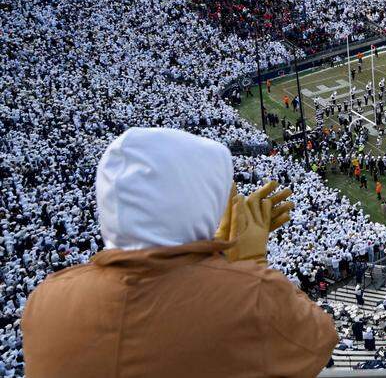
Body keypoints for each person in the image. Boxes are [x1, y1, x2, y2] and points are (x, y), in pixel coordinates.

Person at [22, 127, 336, 378]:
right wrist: (247, 267)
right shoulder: (252, 296)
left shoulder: (45, 299)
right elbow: (318, 341)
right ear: (194, 200)